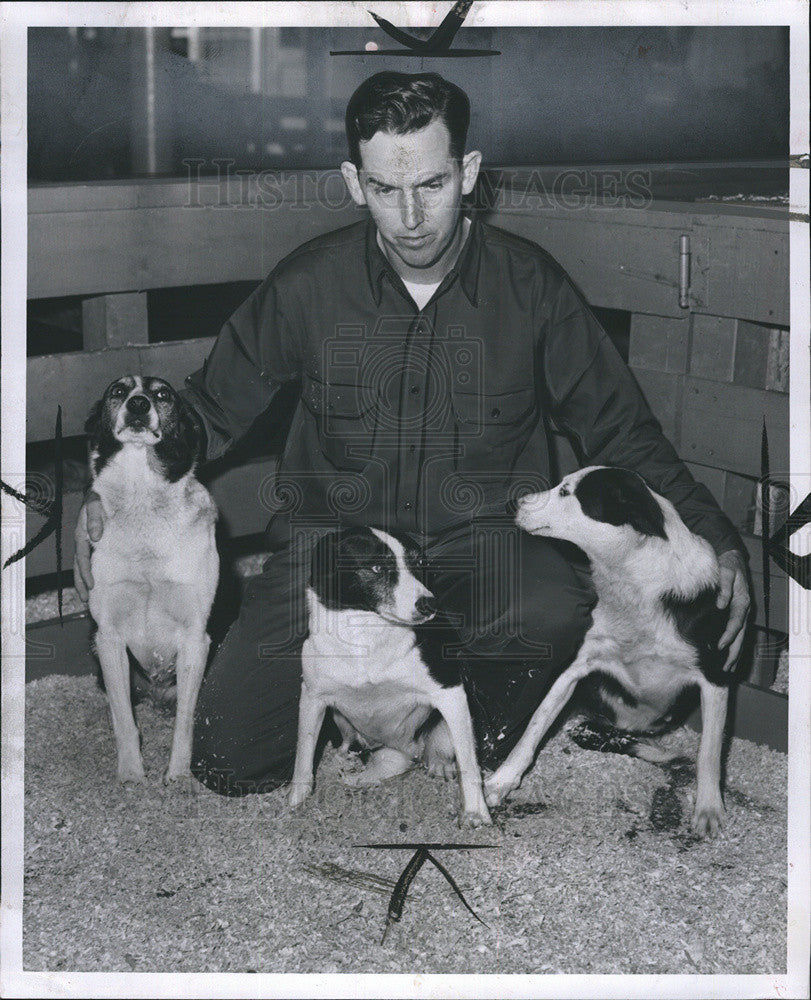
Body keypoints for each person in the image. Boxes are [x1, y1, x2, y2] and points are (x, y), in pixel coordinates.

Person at [74, 72, 751, 795]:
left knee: (555, 608)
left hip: (486, 548)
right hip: (334, 553)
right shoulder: (308, 284)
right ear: (351, 180)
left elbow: (624, 434)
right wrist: (112, 494)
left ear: (468, 172)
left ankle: (451, 732)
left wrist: (717, 540)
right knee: (227, 760)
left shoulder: (532, 287)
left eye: (431, 184)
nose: (409, 217)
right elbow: (203, 411)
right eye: (383, 189)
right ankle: (363, 707)